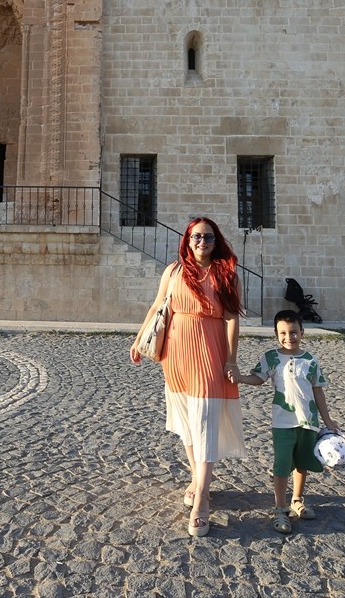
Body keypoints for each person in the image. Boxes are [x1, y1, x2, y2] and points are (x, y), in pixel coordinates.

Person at [130, 217, 246, 537]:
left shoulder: (227, 275)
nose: (202, 242)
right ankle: (199, 482)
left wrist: (232, 360)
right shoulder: (174, 271)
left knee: (206, 421)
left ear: (215, 241)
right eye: (196, 236)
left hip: (210, 352)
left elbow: (232, 320)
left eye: (208, 237)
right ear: (187, 239)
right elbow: (157, 307)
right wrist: (139, 340)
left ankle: (202, 502)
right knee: (187, 423)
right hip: (176, 356)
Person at [228, 309, 339, 535]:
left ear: (302, 332)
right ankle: (280, 508)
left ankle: (297, 499)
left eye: (294, 332)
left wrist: (327, 419)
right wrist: (240, 379)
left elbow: (318, 391)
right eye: (283, 333)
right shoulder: (271, 358)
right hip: (282, 423)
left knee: (302, 463)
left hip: (308, 422)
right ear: (276, 334)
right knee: (281, 465)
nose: (289, 337)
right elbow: (258, 379)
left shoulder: (310, 360)